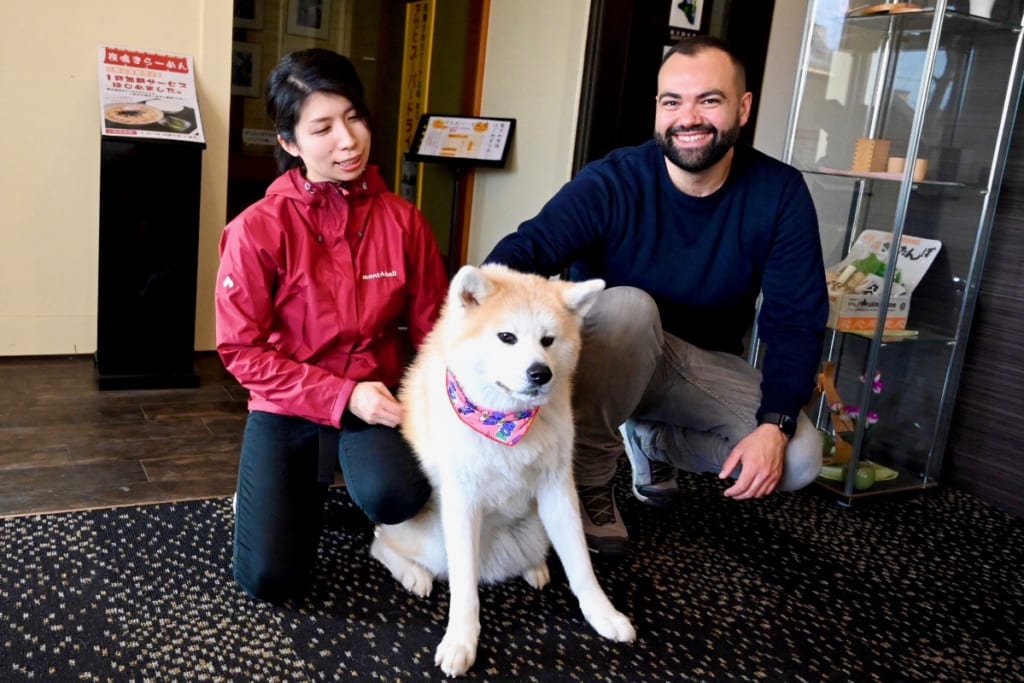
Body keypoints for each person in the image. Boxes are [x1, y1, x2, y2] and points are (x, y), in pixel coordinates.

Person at [484, 36, 829, 557]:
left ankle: (648, 438)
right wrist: (471, 329)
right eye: (672, 102)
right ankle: (592, 474)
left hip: (697, 367)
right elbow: (525, 251)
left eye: (708, 100)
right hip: (607, 354)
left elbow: (795, 319)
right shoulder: (613, 180)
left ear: (744, 106)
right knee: (629, 306)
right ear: (658, 111)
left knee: (801, 458)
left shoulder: (779, 193)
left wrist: (775, 426)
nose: (688, 117)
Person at [215, 48, 449, 599]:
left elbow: (435, 334)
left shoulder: (403, 221)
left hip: (377, 395)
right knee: (269, 580)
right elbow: (241, 352)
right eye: (322, 127)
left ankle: (354, 501)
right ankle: (269, 489)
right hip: (289, 402)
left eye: (353, 117)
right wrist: (341, 395)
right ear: (290, 143)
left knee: (397, 494)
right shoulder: (256, 229)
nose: (348, 140)